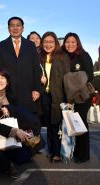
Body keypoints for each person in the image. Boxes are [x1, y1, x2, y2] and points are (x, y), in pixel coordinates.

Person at [0, 17, 42, 115]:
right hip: (8, 92)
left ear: (23, 28)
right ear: (8, 29)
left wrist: (36, 89)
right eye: (12, 26)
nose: (15, 28)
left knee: (28, 123)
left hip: (28, 92)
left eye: (18, 25)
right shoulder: (1, 45)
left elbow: (36, 69)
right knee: (10, 122)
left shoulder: (30, 45)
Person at [62, 32, 93, 164]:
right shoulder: (65, 57)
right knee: (74, 123)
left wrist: (71, 79)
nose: (70, 44)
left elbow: (89, 76)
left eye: (73, 42)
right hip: (70, 97)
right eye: (67, 42)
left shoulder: (83, 56)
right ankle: (77, 151)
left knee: (81, 124)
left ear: (78, 43)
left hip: (83, 96)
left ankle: (84, 155)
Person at [39, 32, 64, 163]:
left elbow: (67, 78)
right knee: (49, 125)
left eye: (51, 42)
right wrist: (40, 80)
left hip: (58, 97)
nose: (48, 44)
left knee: (56, 125)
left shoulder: (62, 58)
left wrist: (68, 100)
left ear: (55, 43)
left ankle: (56, 153)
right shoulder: (39, 58)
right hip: (45, 96)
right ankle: (52, 150)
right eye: (45, 42)